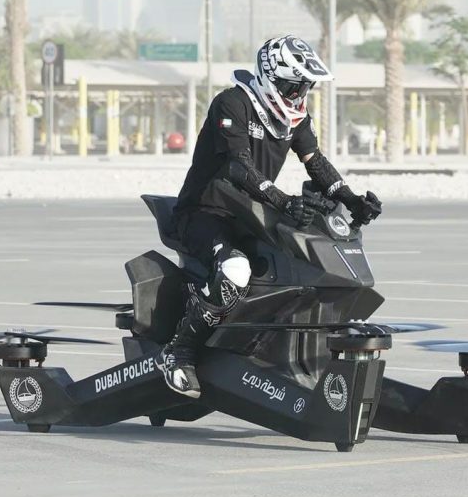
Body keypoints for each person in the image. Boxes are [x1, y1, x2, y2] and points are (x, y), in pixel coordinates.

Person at [156, 35, 383, 398]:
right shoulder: (232, 103)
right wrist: (282, 199)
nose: (298, 94)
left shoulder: (294, 117)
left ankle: (284, 354)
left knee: (293, 266)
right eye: (293, 86)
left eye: (304, 86)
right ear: (270, 78)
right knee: (235, 270)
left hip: (250, 214)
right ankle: (178, 352)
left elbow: (315, 162)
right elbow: (238, 167)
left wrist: (351, 198)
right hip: (205, 212)